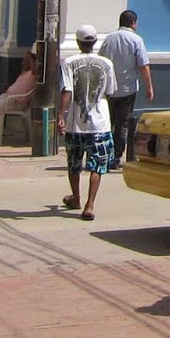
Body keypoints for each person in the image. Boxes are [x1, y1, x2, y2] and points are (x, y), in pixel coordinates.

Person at [58, 25, 116, 220]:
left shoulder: (69, 62)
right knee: (97, 166)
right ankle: (90, 205)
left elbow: (67, 90)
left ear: (78, 42)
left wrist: (61, 116)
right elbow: (110, 91)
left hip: (76, 124)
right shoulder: (106, 64)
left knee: (74, 163)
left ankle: (76, 197)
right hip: (100, 124)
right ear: (95, 42)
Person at [98, 10, 153, 171]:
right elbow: (143, 65)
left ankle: (104, 155)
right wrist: (149, 86)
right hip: (127, 89)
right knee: (122, 125)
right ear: (133, 23)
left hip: (109, 90)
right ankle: (116, 157)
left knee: (107, 123)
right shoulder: (136, 40)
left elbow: (100, 61)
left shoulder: (109, 39)